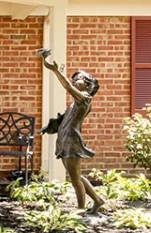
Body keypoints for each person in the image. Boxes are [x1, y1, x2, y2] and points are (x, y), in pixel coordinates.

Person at [40, 49, 106, 211]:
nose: (76, 80)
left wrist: (55, 70)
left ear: (89, 86)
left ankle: (81, 210)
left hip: (72, 141)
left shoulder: (84, 99)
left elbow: (67, 87)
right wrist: (51, 126)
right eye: (75, 79)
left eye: (80, 79)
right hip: (65, 140)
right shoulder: (75, 103)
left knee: (75, 179)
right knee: (75, 175)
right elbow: (65, 119)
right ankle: (97, 201)